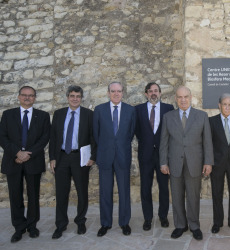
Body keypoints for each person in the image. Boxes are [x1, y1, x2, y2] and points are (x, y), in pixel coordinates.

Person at [160, 86, 213, 241]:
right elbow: (164, 142)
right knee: (176, 196)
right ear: (175, 99)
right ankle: (180, 225)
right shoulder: (168, 117)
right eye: (179, 97)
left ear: (191, 97)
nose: (183, 100)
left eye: (186, 97)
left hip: (195, 163)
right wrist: (163, 162)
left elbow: (207, 142)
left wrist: (208, 162)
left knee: (193, 196)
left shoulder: (202, 116)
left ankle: (194, 226)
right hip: (174, 163)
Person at [0, 86, 50, 243]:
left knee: (33, 195)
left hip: (33, 160)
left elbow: (44, 138)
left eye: (31, 95)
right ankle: (19, 228)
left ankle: (32, 226)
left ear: (35, 98)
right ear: (19, 97)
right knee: (15, 196)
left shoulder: (42, 116)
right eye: (24, 95)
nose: (27, 98)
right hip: (12, 160)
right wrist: (17, 153)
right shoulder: (8, 115)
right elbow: (2, 136)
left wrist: (28, 154)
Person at [49, 85, 96, 239]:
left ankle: (80, 221)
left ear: (81, 98)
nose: (75, 99)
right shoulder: (59, 114)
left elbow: (93, 137)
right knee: (61, 193)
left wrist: (92, 157)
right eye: (72, 96)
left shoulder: (89, 114)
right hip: (62, 157)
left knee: (82, 191)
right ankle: (60, 225)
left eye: (78, 96)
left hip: (80, 158)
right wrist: (52, 158)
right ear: (67, 97)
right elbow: (53, 137)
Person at [93, 82, 136, 237]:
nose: (116, 94)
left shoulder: (130, 110)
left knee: (124, 190)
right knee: (105, 191)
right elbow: (96, 134)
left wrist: (119, 146)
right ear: (108, 92)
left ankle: (124, 222)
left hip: (122, 156)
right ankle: (105, 223)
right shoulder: (99, 110)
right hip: (105, 156)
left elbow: (130, 134)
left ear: (123, 92)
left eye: (119, 91)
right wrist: (106, 147)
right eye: (113, 91)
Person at [135, 82, 174, 231]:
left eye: (156, 91)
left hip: (163, 155)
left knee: (164, 187)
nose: (153, 93)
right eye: (150, 91)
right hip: (145, 155)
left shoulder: (168, 109)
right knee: (145, 187)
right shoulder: (138, 109)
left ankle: (163, 216)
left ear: (160, 93)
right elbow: (137, 131)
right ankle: (148, 218)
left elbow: (171, 131)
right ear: (146, 94)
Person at [209, 93, 230, 235]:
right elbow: (209, 142)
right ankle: (217, 222)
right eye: (225, 104)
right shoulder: (211, 121)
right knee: (216, 193)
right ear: (219, 105)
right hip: (217, 163)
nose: (227, 107)